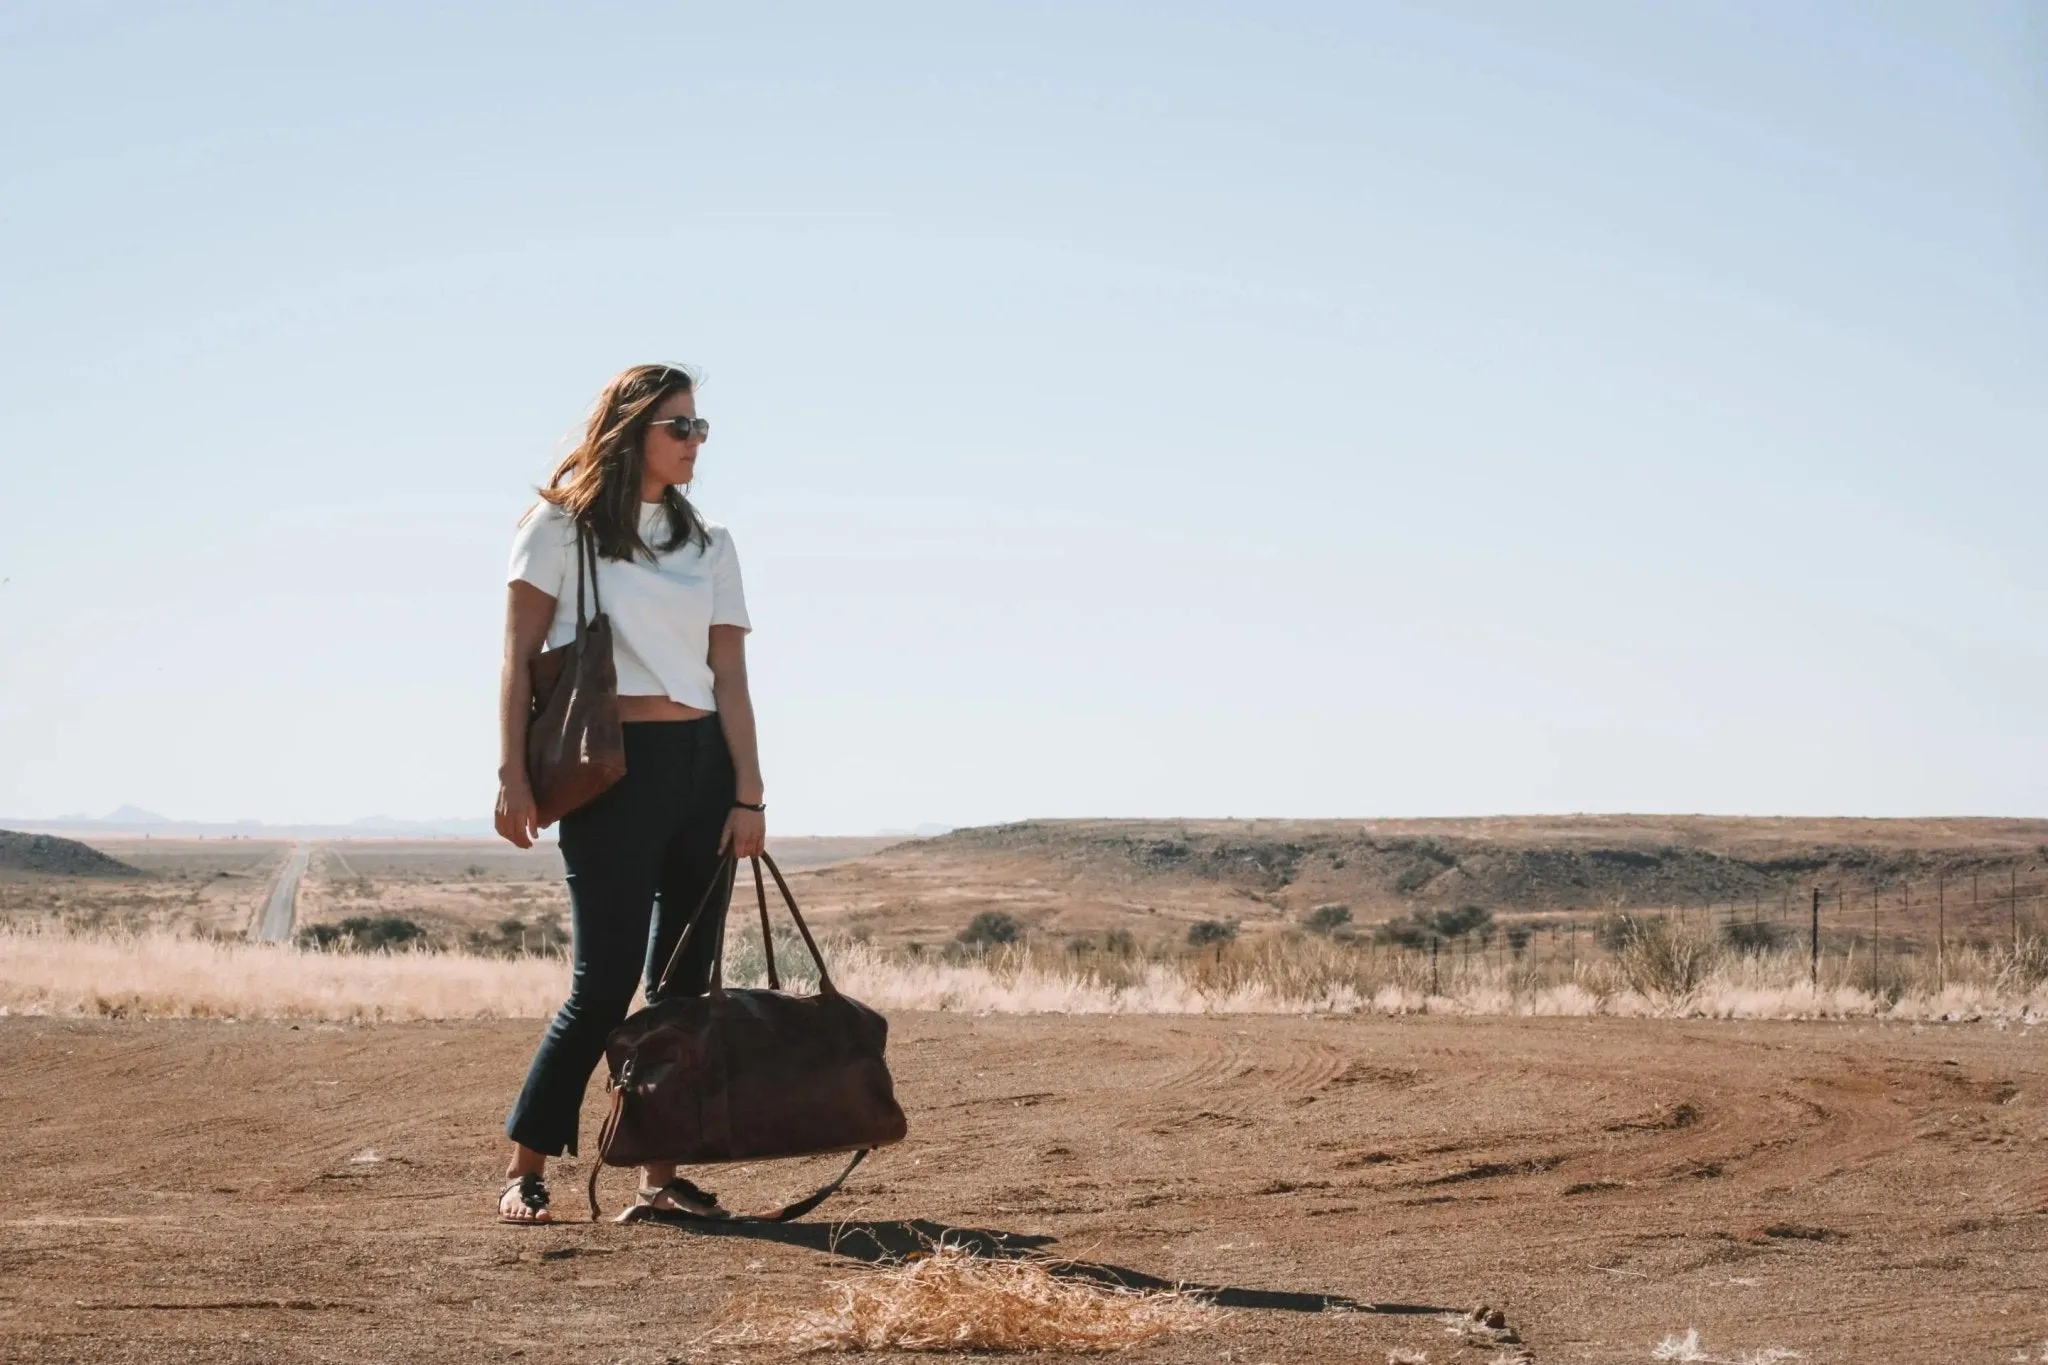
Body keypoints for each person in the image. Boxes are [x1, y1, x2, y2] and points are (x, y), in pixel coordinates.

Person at [492, 363, 766, 1224]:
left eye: (700, 428)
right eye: (679, 427)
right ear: (633, 429)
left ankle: (656, 1177)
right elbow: (514, 660)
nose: (695, 443)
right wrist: (512, 774)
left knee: (683, 988)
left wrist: (749, 794)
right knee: (603, 984)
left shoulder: (710, 543)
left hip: (701, 770)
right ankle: (526, 1167)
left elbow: (730, 675)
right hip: (607, 772)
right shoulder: (560, 529)